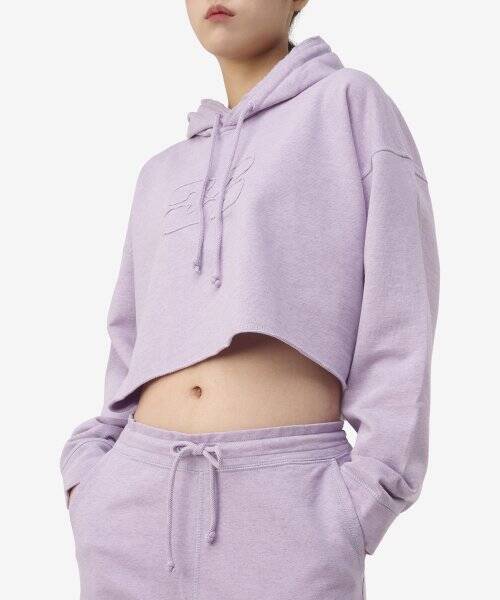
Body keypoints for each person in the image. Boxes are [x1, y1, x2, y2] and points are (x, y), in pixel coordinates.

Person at [60, 1, 440, 598]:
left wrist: (366, 498)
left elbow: (401, 313)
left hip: (289, 509)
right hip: (132, 508)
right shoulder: (161, 171)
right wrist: (90, 478)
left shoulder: (349, 105)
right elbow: (128, 343)